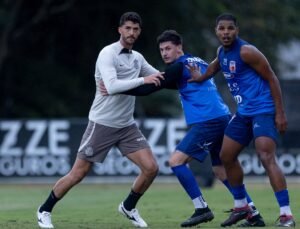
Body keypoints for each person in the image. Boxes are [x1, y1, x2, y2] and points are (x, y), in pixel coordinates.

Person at [101, 30, 265, 228]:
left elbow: (150, 88)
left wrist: (115, 88)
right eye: (161, 49)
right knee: (220, 169)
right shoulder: (197, 62)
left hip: (209, 121)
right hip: (221, 117)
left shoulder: (178, 66)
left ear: (180, 47)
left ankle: (201, 208)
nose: (165, 53)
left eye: (168, 48)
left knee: (176, 161)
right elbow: (174, 84)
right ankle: (253, 213)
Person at [36, 11, 164, 229]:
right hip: (102, 124)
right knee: (78, 174)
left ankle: (128, 206)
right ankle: (44, 210)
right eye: (128, 28)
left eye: (135, 29)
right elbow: (112, 86)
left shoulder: (137, 58)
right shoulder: (108, 53)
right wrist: (143, 79)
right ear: (120, 30)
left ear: (139, 32)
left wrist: (186, 74)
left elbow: (159, 79)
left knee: (151, 168)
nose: (131, 32)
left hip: (127, 126)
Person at [188, 13, 296, 227]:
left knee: (266, 157)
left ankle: (286, 215)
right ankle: (242, 208)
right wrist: (200, 77)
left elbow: (272, 77)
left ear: (237, 30)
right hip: (244, 112)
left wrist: (280, 113)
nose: (226, 32)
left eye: (230, 28)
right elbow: (215, 65)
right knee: (226, 156)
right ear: (216, 31)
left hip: (263, 110)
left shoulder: (247, 51)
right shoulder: (222, 52)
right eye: (222, 29)